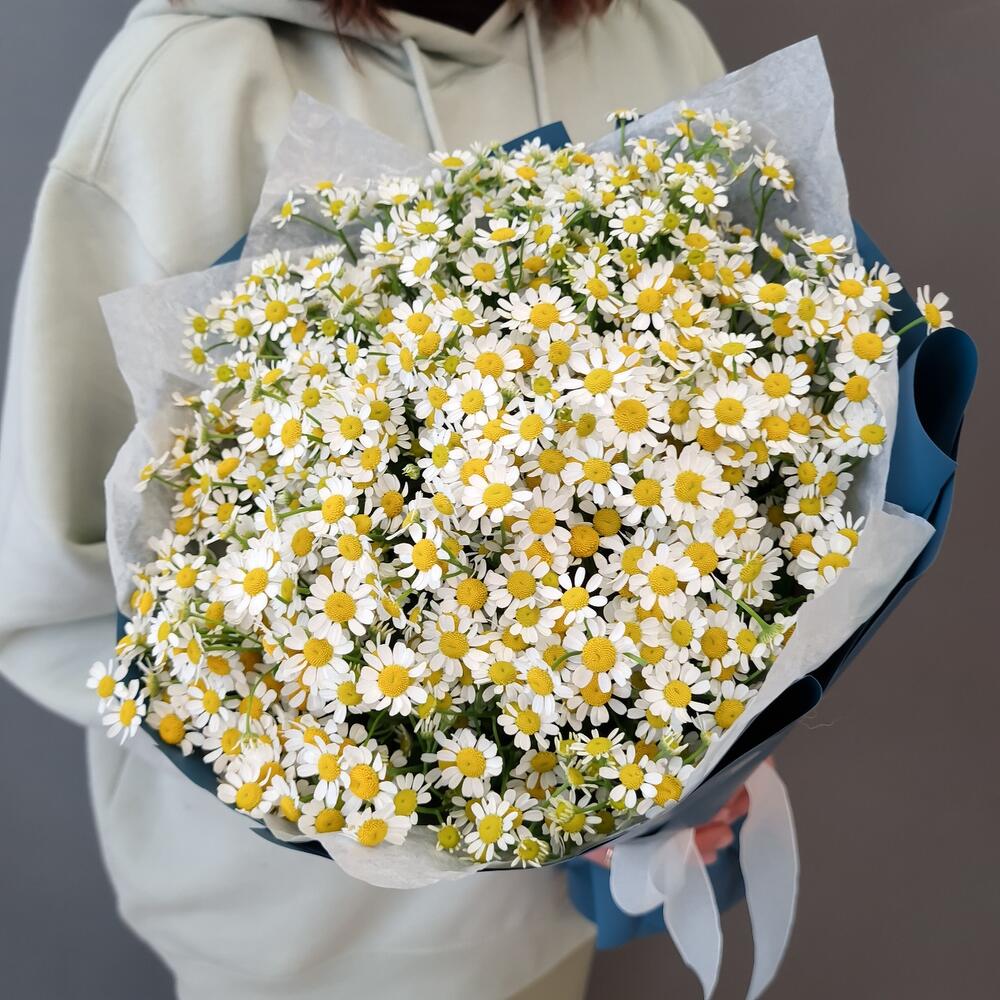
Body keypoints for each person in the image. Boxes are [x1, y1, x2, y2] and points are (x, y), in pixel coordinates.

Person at [0, 2, 726, 997]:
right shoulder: (189, 88)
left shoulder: (649, 37)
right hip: (298, 944)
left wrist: (681, 756)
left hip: (553, 914)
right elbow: (64, 581)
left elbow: (738, 451)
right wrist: (336, 760)